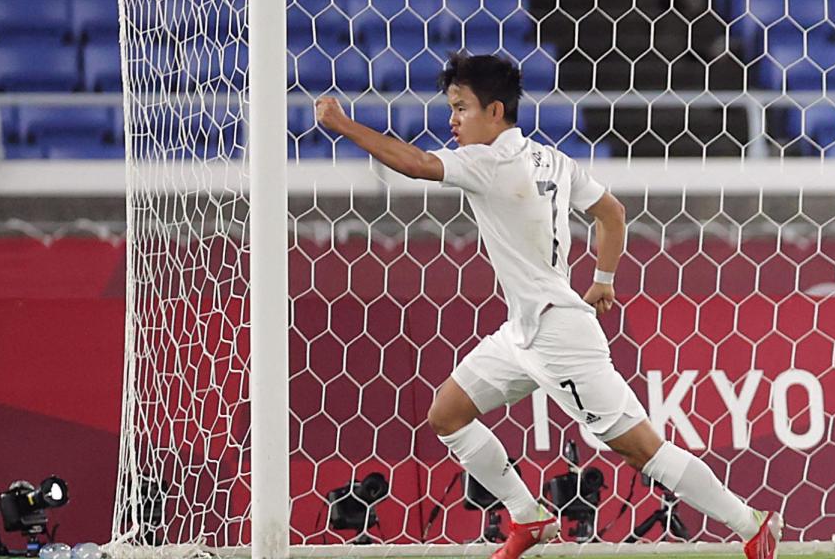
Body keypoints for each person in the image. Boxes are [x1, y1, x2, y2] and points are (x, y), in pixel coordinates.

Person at [314, 53, 783, 559]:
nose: (451, 120)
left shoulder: (488, 162)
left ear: (495, 112)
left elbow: (416, 164)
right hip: (523, 332)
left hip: (559, 338)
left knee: (641, 449)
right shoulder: (552, 159)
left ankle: (751, 524)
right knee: (447, 413)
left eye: (460, 108)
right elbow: (612, 212)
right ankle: (529, 516)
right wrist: (603, 280)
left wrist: (342, 125)